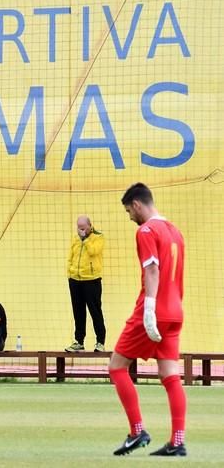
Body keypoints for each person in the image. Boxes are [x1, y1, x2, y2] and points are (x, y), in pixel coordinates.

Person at [110, 183, 187, 457]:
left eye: (129, 210)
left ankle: (137, 431)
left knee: (117, 367)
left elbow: (152, 270)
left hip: (153, 309)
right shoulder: (175, 231)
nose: (130, 216)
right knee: (170, 376)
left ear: (138, 205)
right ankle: (178, 441)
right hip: (175, 311)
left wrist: (150, 309)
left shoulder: (146, 230)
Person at [65, 215, 107, 353]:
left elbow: (93, 251)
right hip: (75, 279)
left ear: (90, 226)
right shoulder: (75, 238)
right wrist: (70, 272)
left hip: (92, 280)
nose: (80, 230)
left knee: (95, 311)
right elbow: (71, 256)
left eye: (83, 228)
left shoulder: (98, 237)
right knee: (78, 311)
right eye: (78, 228)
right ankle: (79, 341)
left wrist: (85, 239)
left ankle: (100, 342)